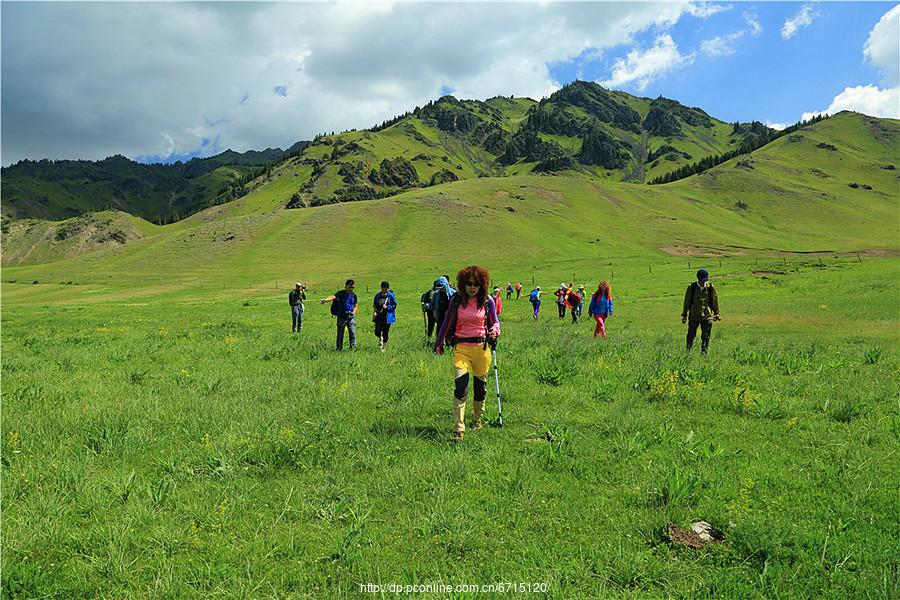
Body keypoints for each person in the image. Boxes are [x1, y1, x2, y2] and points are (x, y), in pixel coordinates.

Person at [435, 266, 500, 442]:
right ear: (463, 284)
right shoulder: (456, 300)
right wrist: (439, 343)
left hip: (482, 348)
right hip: (461, 348)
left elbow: (495, 321)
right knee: (461, 386)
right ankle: (458, 429)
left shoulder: (488, 301)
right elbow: (447, 322)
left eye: (476, 284)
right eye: (469, 283)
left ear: (482, 285)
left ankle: (477, 419)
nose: (472, 287)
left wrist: (495, 330)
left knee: (480, 387)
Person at [682, 269, 721, 354]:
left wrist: (717, 313)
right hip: (694, 316)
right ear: (698, 279)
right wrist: (684, 315)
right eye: (702, 281)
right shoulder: (692, 287)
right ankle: (687, 352)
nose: (703, 282)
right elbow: (687, 302)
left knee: (706, 337)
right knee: (690, 336)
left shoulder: (710, 287)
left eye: (705, 280)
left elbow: (714, 300)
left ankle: (704, 354)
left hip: (707, 316)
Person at [320, 279, 358, 351]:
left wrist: (354, 313)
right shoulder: (341, 293)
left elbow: (355, 305)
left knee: (352, 333)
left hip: (351, 317)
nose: (351, 289)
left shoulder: (354, 295)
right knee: (340, 334)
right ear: (346, 286)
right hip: (341, 316)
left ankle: (353, 349)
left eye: (353, 287)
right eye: (350, 287)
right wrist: (325, 300)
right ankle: (339, 349)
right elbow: (332, 297)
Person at [373, 281, 398, 352]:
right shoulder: (377, 295)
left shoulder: (390, 295)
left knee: (385, 332)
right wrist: (374, 313)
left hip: (387, 316)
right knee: (377, 331)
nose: (384, 290)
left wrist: (387, 307)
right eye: (383, 288)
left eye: (386, 289)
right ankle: (380, 338)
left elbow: (394, 305)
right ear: (381, 288)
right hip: (379, 315)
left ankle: (384, 347)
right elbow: (375, 305)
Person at [432, 275, 455, 351]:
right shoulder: (436, 294)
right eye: (439, 288)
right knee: (439, 332)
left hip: (451, 317)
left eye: (442, 287)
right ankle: (439, 350)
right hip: (440, 316)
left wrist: (449, 310)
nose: (440, 289)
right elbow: (433, 305)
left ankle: (451, 348)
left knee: (450, 333)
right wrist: (426, 306)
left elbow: (457, 306)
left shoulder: (453, 293)